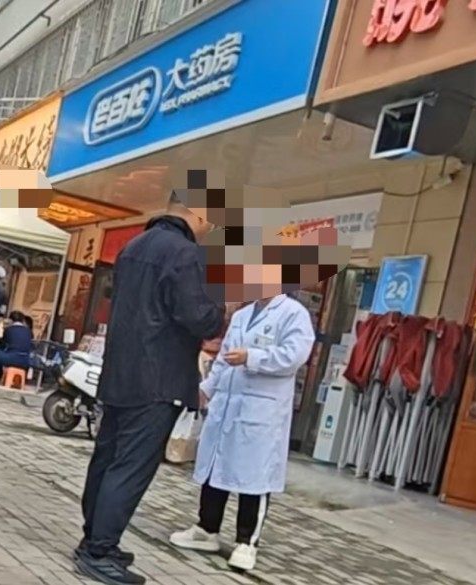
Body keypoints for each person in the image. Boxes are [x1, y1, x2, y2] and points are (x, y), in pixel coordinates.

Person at [76, 193, 224, 584]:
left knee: (108, 458)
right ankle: (99, 549)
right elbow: (200, 317)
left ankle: (93, 537)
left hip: (120, 373)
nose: (210, 228)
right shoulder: (186, 254)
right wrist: (219, 303)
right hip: (159, 378)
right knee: (131, 467)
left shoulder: (133, 247)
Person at [169, 294, 315, 571]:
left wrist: (252, 357)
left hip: (260, 411)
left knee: (255, 477)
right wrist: (206, 389)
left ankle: (247, 542)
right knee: (215, 467)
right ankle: (207, 528)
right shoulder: (241, 315)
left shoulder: (293, 314)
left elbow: (294, 357)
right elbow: (223, 361)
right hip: (227, 404)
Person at [0, 311, 33, 383]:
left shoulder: (9, 329)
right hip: (26, 361)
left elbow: (2, 344)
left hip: (12, 358)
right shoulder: (28, 331)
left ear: (11, 320)